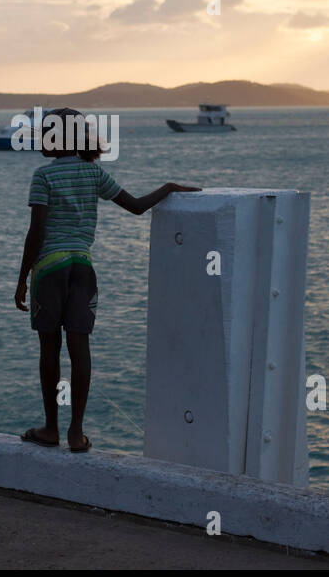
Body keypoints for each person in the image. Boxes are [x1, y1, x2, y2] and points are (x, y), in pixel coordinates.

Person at [15, 108, 199, 452]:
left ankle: (51, 428)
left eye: (44, 133)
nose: (39, 139)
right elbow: (137, 206)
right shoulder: (94, 173)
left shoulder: (43, 177)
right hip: (83, 267)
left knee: (49, 351)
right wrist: (169, 188)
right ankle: (77, 433)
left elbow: (36, 232)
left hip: (50, 269)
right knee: (80, 348)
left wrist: (22, 277)